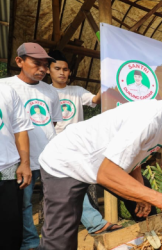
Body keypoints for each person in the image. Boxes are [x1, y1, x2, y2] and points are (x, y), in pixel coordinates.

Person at [37, 71, 162, 249]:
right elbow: (107, 173)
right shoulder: (147, 119)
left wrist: (140, 190)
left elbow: (134, 155)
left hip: (94, 165)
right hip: (65, 162)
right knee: (61, 237)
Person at [47, 50, 120, 234]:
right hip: (52, 146)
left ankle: (92, 223)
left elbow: (95, 99)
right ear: (49, 71)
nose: (62, 72)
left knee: (74, 184)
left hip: (77, 146)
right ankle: (94, 223)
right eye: (57, 69)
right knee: (68, 184)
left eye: (65, 69)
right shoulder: (44, 92)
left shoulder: (77, 91)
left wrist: (105, 81)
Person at [0, 43, 63, 250]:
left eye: (45, 65)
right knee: (24, 204)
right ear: (19, 61)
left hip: (50, 156)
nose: (43, 69)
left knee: (60, 198)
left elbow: (52, 123)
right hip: (20, 160)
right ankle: (30, 242)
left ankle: (57, 239)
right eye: (37, 63)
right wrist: (23, 160)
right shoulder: (6, 87)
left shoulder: (51, 92)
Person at [0, 84, 34, 250]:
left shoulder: (6, 90)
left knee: (10, 230)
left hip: (8, 169)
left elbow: (20, 129)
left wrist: (25, 163)